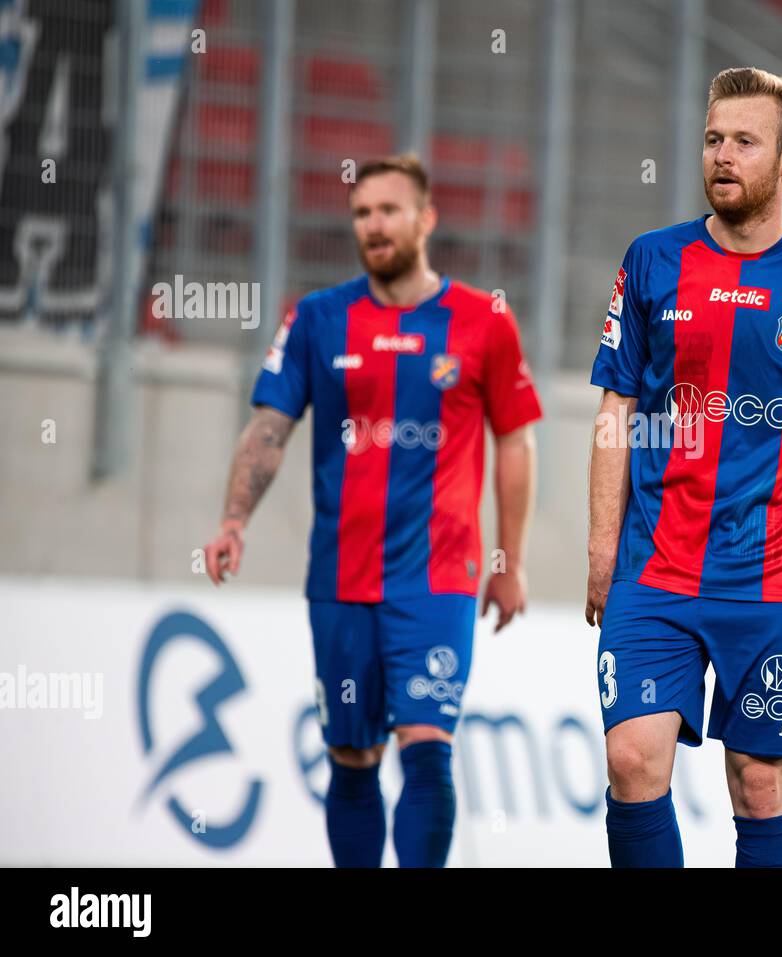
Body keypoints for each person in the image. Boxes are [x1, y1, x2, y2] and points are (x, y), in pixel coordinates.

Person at [585, 67, 782, 868]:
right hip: (654, 567)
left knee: (761, 786)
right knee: (631, 761)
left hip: (778, 578)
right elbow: (615, 412)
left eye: (744, 142)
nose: (722, 156)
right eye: (712, 139)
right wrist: (600, 547)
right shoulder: (652, 261)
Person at [202, 153, 543, 867]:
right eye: (361, 214)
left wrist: (508, 560)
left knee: (426, 749)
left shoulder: (483, 320)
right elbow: (269, 428)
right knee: (352, 756)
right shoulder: (318, 318)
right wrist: (234, 519)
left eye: (389, 210)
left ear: (426, 219)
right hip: (341, 578)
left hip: (438, 575)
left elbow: (515, 441)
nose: (374, 225)